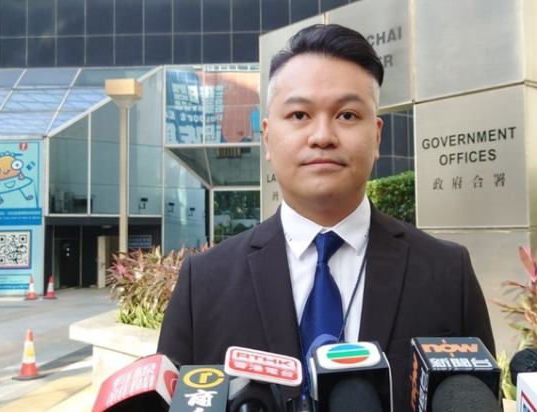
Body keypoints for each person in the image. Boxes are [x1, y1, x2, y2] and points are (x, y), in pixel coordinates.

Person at [157, 24, 495, 411]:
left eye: (347, 115)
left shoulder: (447, 273)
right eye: (299, 114)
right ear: (267, 137)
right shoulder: (204, 283)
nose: (322, 136)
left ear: (377, 136)